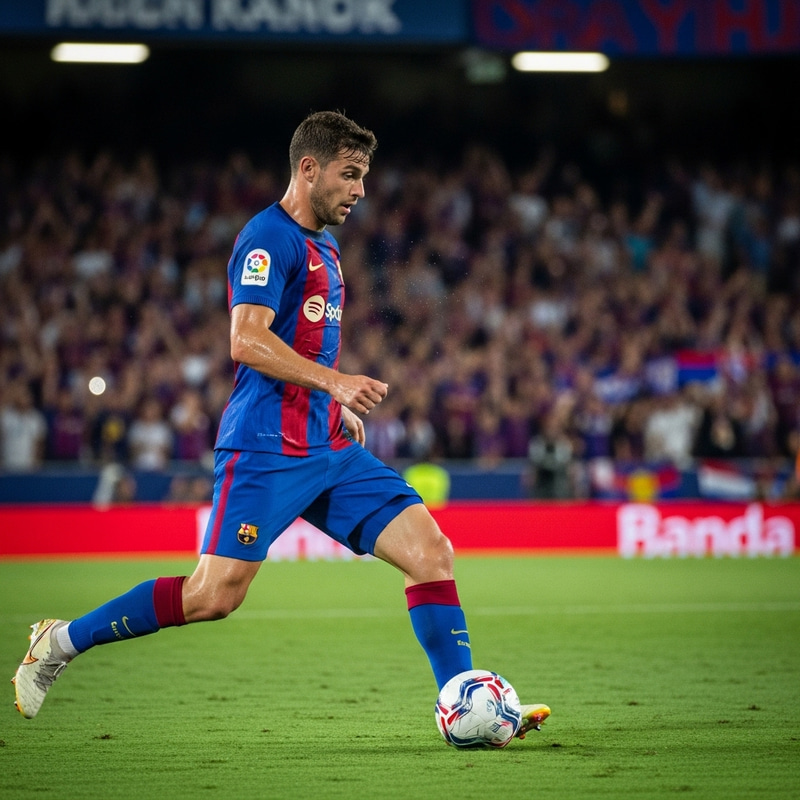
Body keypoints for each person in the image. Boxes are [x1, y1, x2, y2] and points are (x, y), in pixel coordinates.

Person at [13, 111, 549, 738]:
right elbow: (245, 340)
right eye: (350, 175)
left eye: (364, 177)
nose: (360, 191)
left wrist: (333, 403)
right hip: (266, 445)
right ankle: (60, 641)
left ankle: (467, 705)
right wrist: (335, 383)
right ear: (308, 168)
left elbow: (308, 344)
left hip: (325, 442)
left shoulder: (326, 244)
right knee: (214, 596)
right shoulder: (268, 238)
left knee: (431, 553)